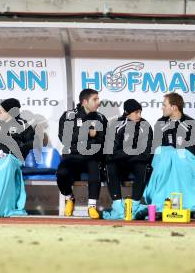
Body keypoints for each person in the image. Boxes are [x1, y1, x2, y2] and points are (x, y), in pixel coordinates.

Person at [56, 89, 108, 219]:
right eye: (95, 99)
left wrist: (86, 139)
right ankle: (69, 198)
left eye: (98, 99)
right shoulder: (68, 115)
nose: (98, 102)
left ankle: (91, 206)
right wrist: (87, 133)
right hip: (72, 156)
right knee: (61, 173)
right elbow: (64, 137)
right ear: (85, 101)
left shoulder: (100, 118)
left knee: (94, 170)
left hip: (91, 155)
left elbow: (102, 140)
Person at [103, 99, 153, 220]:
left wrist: (125, 152)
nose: (139, 115)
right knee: (109, 166)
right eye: (136, 112)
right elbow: (110, 153)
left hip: (136, 163)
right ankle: (118, 207)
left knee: (144, 167)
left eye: (140, 112)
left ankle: (134, 206)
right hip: (119, 163)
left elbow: (147, 153)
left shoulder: (145, 126)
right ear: (127, 112)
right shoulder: (115, 125)